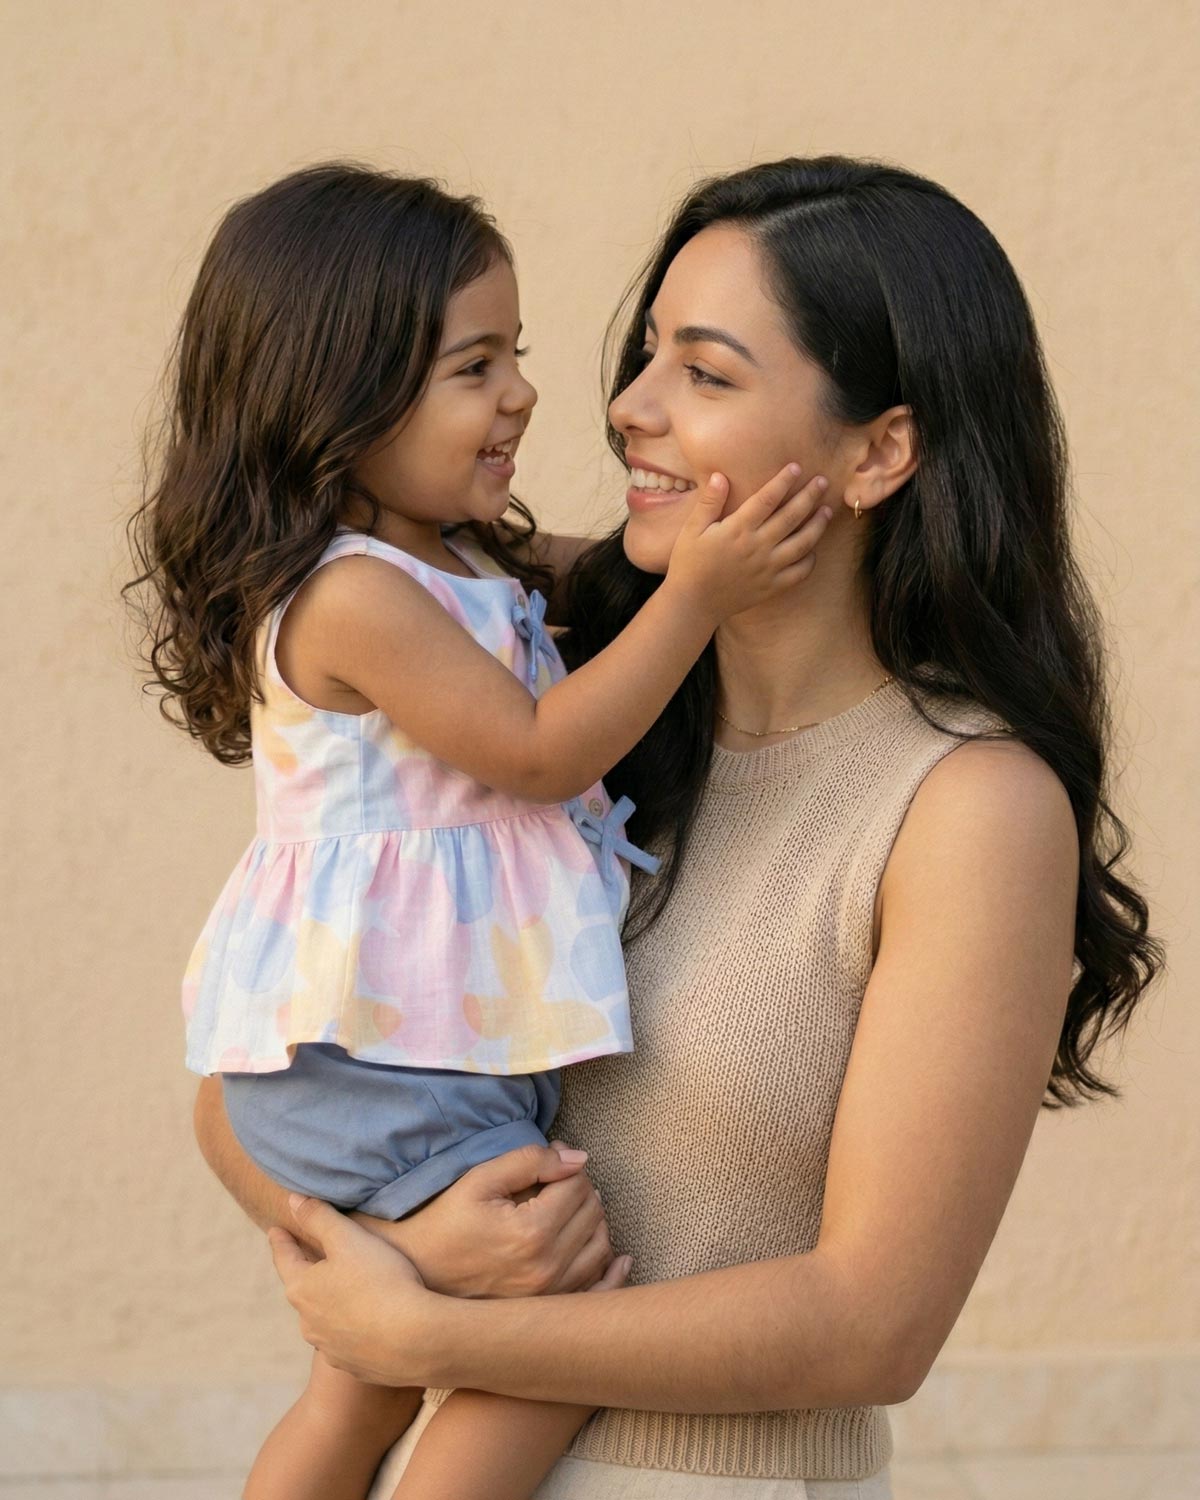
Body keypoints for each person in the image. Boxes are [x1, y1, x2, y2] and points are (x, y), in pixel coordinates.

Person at [196, 157, 1162, 1500]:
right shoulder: (571, 713)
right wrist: (387, 1243)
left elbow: (873, 1326)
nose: (624, 409)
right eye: (646, 356)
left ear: (880, 450)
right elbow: (245, 1095)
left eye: (704, 375)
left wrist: (431, 1330)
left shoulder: (962, 808)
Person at [126, 162, 831, 1500]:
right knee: (545, 1337)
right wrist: (700, 595)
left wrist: (690, 537)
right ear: (339, 396)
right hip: (377, 1073)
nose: (522, 393)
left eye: (518, 354)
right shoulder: (348, 600)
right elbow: (538, 750)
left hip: (424, 1059)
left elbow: (605, 567)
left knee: (368, 1378)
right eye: (474, 366)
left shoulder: (463, 563)